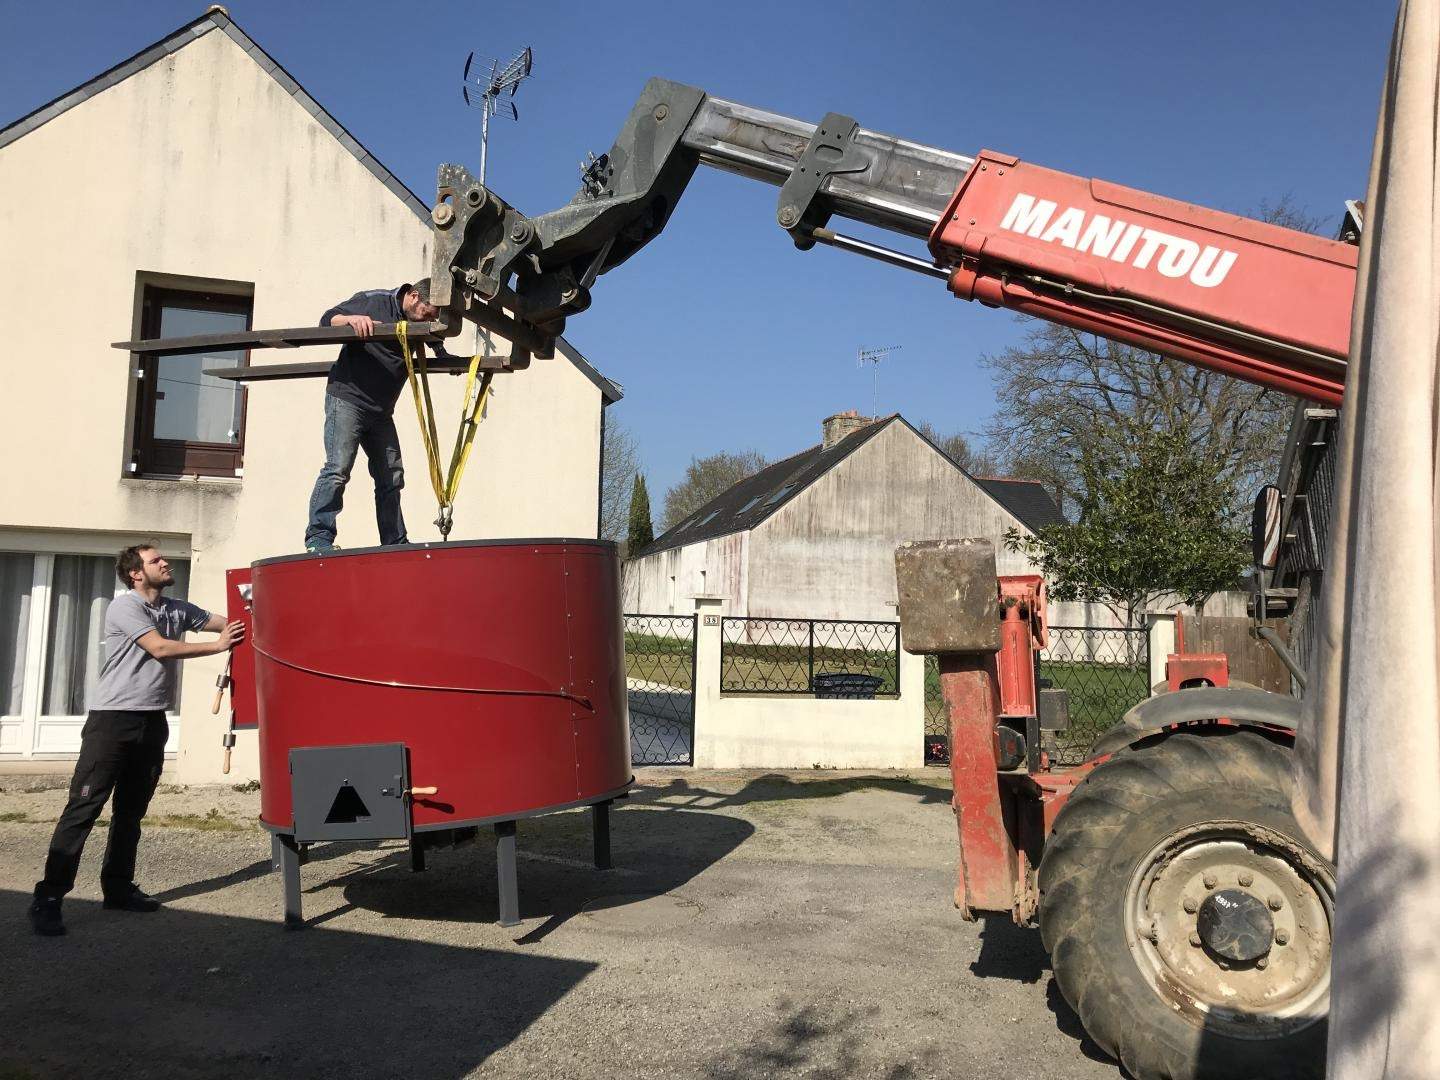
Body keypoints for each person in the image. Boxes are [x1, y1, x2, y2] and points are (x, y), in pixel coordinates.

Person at [29, 545, 244, 937]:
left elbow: (228, 623)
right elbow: (159, 647)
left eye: (163, 558)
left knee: (130, 811)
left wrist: (257, 612)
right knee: (84, 808)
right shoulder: (125, 607)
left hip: (152, 721)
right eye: (155, 560)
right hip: (112, 722)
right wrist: (218, 646)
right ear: (136, 574)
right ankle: (49, 898)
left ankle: (118, 888)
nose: (165, 562)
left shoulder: (176, 609)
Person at [303, 278, 443, 553]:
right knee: (338, 469)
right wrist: (351, 319)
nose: (428, 320)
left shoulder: (416, 320)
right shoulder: (375, 301)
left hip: (381, 412)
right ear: (415, 296)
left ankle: (394, 541)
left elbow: (434, 338)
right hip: (348, 400)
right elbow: (327, 319)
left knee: (391, 475)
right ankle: (318, 538)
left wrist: (442, 352)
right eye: (427, 314)